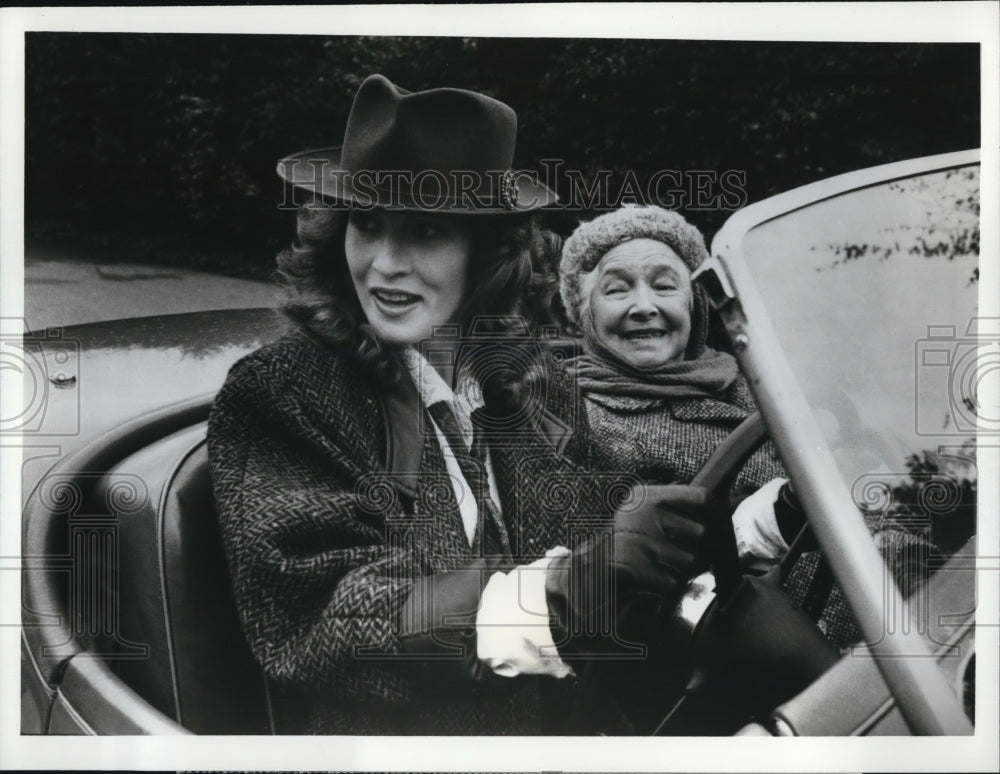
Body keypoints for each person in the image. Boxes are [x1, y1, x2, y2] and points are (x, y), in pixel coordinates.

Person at [208, 75, 715, 735]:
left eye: (424, 231)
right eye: (367, 224)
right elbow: (333, 614)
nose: (385, 263)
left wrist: (756, 521)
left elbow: (608, 506)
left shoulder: (527, 381)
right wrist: (564, 594)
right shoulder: (287, 393)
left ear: (487, 250)